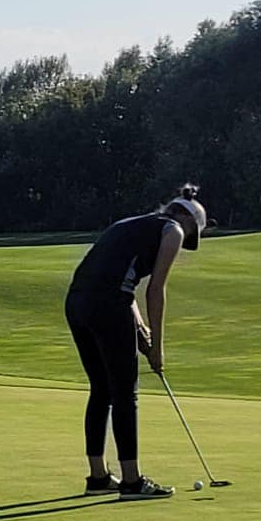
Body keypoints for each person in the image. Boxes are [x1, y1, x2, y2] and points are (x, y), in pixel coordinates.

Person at [64, 185, 208, 499]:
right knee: (125, 394)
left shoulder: (129, 224)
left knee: (102, 389)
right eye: (191, 233)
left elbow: (119, 280)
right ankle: (131, 481)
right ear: (186, 220)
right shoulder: (172, 230)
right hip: (108, 306)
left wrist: (140, 328)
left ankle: (98, 477)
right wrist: (157, 349)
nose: (185, 241)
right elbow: (155, 290)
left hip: (77, 303)